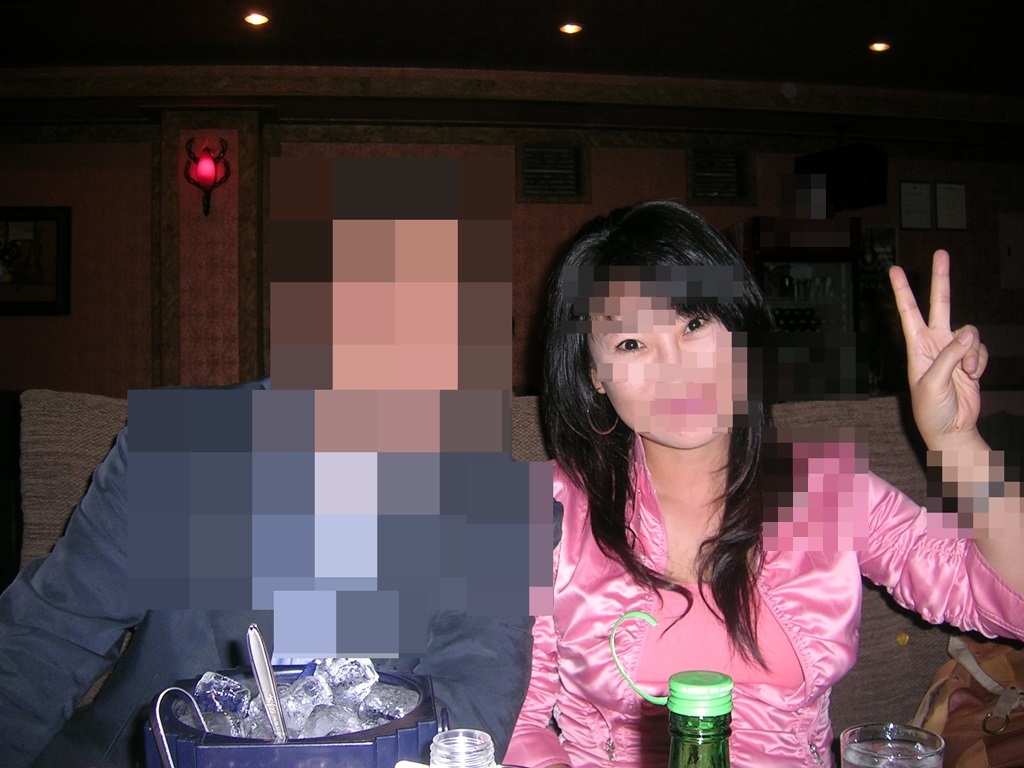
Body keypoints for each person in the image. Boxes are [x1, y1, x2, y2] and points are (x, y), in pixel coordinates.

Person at [504, 200, 1024, 768]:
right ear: (594, 376)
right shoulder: (545, 511)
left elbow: (1006, 601)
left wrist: (956, 442)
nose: (676, 368)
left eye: (693, 324)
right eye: (632, 344)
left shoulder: (824, 487)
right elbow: (515, 722)